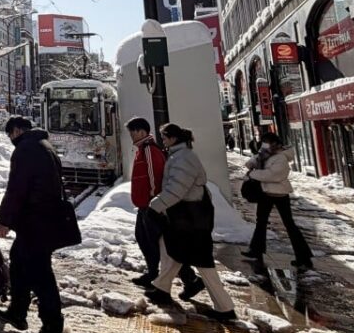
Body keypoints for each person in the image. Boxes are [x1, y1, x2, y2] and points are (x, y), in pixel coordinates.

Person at [145, 123, 236, 322]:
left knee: (201, 261)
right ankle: (161, 287)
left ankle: (225, 306)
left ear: (173, 138)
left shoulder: (183, 158)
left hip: (190, 217)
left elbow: (177, 188)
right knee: (174, 250)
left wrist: (156, 206)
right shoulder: (182, 155)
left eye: (165, 137)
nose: (163, 140)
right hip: (187, 216)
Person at [0, 116, 66, 333]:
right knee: (18, 262)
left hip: (36, 222)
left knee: (40, 275)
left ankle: (52, 330)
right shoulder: (44, 146)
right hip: (42, 221)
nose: (11, 139)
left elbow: (16, 188)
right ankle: (18, 310)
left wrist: (5, 221)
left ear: (16, 130)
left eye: (9, 135)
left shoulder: (25, 149)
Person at [126, 118, 200, 297]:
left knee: (163, 245)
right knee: (145, 239)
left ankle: (189, 280)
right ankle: (154, 273)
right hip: (145, 205)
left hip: (152, 206)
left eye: (132, 132)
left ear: (142, 132)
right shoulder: (142, 150)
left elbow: (155, 178)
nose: (130, 135)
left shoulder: (150, 150)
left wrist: (154, 201)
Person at [241, 132, 313, 270]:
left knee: (289, 225)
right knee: (260, 223)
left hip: (279, 194)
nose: (264, 144)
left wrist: (253, 174)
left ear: (274, 143)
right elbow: (249, 163)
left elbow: (273, 175)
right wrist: (258, 157)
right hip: (266, 193)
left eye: (266, 142)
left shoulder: (281, 157)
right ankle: (255, 250)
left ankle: (303, 256)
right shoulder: (266, 155)